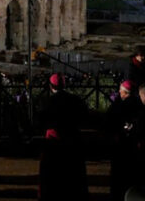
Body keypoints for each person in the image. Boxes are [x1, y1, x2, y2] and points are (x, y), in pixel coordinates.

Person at [38, 73, 89, 201]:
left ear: (51, 86)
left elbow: (41, 120)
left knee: (52, 174)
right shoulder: (75, 100)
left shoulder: (48, 101)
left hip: (54, 142)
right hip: (72, 141)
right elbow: (84, 117)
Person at [105, 80, 141, 201]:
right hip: (134, 145)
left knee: (118, 176)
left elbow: (109, 122)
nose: (119, 92)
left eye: (120, 90)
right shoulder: (138, 103)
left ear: (124, 93)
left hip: (120, 145)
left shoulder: (118, 105)